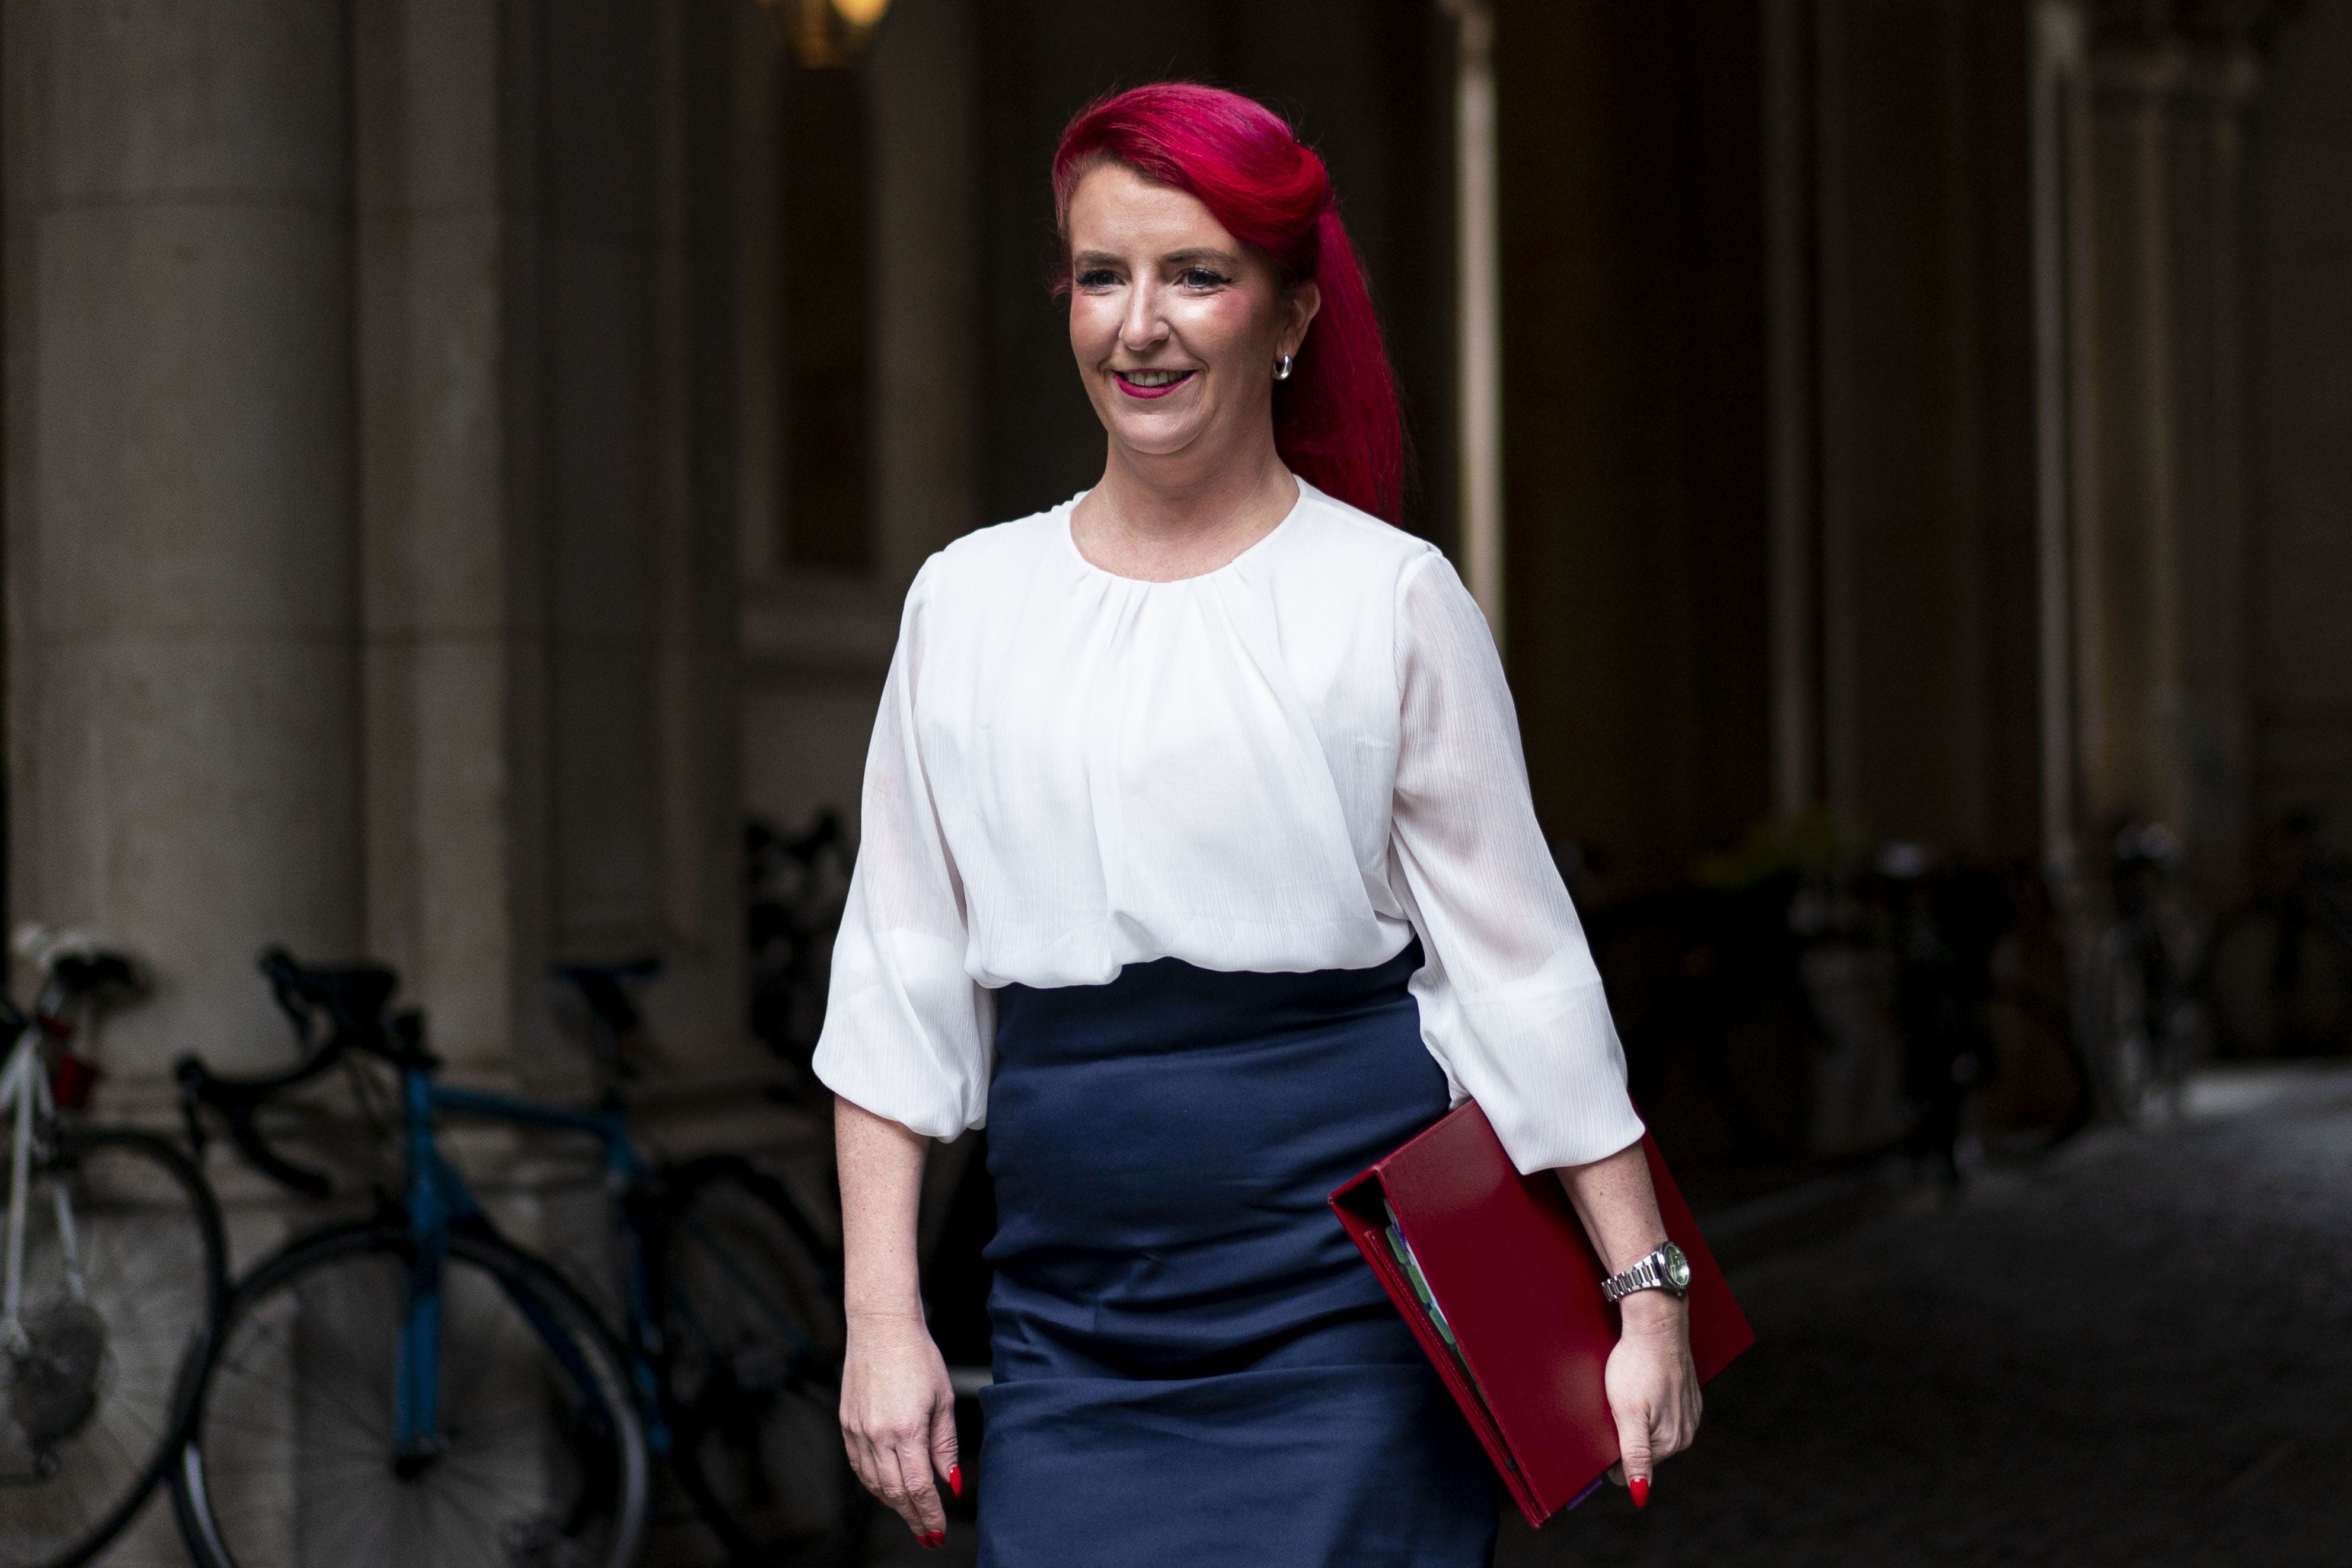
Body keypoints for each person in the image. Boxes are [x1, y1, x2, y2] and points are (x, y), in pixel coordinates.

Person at [816, 82, 1700, 1565]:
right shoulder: (963, 604)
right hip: (1067, 1333)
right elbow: (897, 981)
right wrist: (881, 1325)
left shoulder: (1390, 599)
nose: (1137, 325)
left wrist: (1646, 1291)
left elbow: (1519, 969)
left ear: (1289, 317)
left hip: (1345, 1323)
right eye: (1102, 275)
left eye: (1196, 276)